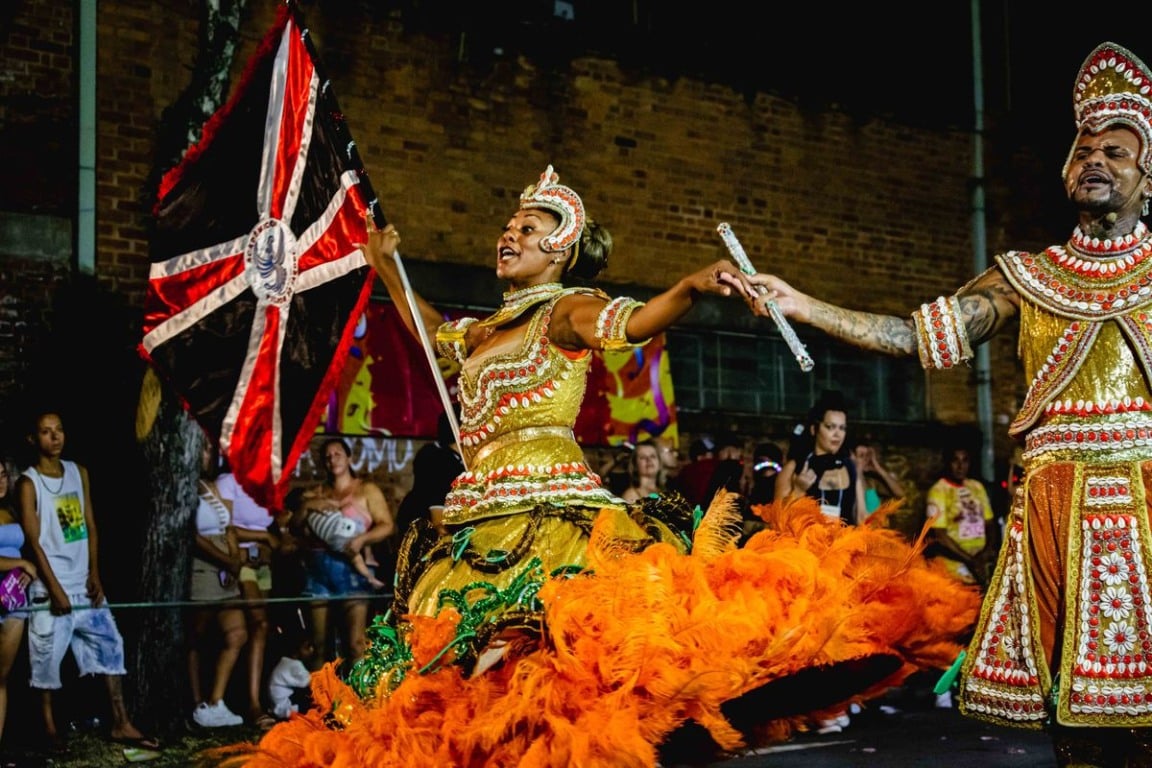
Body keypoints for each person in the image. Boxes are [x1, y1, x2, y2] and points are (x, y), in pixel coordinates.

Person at [240, 166, 981, 766]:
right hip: (472, 524)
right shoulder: (478, 332)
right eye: (508, 225)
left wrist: (690, 288)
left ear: (559, 249)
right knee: (457, 683)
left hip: (553, 518)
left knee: (564, 667)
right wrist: (382, 265)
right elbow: (427, 328)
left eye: (528, 229)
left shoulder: (568, 309)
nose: (510, 235)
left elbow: (631, 324)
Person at [744, 41, 1152, 765]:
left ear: (1148, 177)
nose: (1096, 159)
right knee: (1077, 724)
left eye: (1117, 151)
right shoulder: (1028, 278)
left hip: (1145, 504)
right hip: (1055, 508)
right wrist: (803, 303)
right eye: (1085, 148)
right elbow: (910, 334)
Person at [16, 409, 161, 753]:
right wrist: (54, 589)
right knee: (46, 661)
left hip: (83, 583)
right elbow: (34, 541)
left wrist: (94, 573)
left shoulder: (77, 472)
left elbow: (88, 525)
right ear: (32, 439)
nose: (55, 437)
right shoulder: (28, 482)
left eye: (59, 430)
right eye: (46, 431)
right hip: (51, 588)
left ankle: (121, 722)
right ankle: (49, 728)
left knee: (111, 646)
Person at [297, 438, 395, 671]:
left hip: (353, 569)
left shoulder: (366, 490)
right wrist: (306, 507)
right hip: (319, 568)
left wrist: (362, 539)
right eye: (327, 456)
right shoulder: (315, 493)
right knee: (318, 644)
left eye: (338, 454)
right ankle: (319, 702)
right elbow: (295, 527)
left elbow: (386, 525)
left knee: (355, 643)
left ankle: (355, 700)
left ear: (349, 458)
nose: (333, 460)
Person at [186, 440, 248, 729]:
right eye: (203, 449)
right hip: (204, 565)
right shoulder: (186, 487)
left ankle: (216, 701)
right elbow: (191, 536)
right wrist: (225, 559)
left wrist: (234, 559)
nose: (208, 454)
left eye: (210, 449)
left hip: (226, 566)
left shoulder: (211, 486)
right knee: (196, 637)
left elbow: (229, 527)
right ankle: (197, 704)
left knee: (237, 634)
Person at [216, 465, 279, 731]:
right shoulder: (228, 480)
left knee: (260, 632)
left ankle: (252, 697)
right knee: (259, 623)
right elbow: (226, 528)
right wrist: (264, 536)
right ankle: (252, 704)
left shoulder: (269, 481)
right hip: (238, 561)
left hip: (262, 563)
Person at [775, 391, 866, 526]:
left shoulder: (850, 467)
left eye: (842, 428)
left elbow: (862, 516)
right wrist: (799, 490)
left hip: (844, 545)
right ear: (814, 429)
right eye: (830, 427)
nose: (837, 434)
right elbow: (778, 523)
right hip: (805, 545)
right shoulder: (794, 467)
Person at [924, 446, 999, 591]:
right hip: (953, 569)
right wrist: (972, 561)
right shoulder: (938, 491)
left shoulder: (977, 487)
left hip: (981, 566)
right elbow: (940, 536)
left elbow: (990, 524)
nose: (960, 466)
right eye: (955, 461)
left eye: (965, 461)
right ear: (947, 463)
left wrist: (984, 555)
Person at [0, 455, 35, 762]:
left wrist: (26, 568)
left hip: (13, 598)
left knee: (2, 677)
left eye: (1, 475)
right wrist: (21, 562)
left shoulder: (11, 512)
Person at [849, 438, 906, 520]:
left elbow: (901, 495)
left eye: (868, 456)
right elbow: (863, 503)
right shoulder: (846, 479)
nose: (865, 459)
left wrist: (878, 468)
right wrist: (858, 469)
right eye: (861, 455)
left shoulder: (872, 481)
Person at [266, 629, 315, 722]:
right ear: (296, 650)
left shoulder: (285, 662)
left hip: (277, 705)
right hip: (284, 709)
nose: (311, 650)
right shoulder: (293, 665)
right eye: (307, 647)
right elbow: (309, 681)